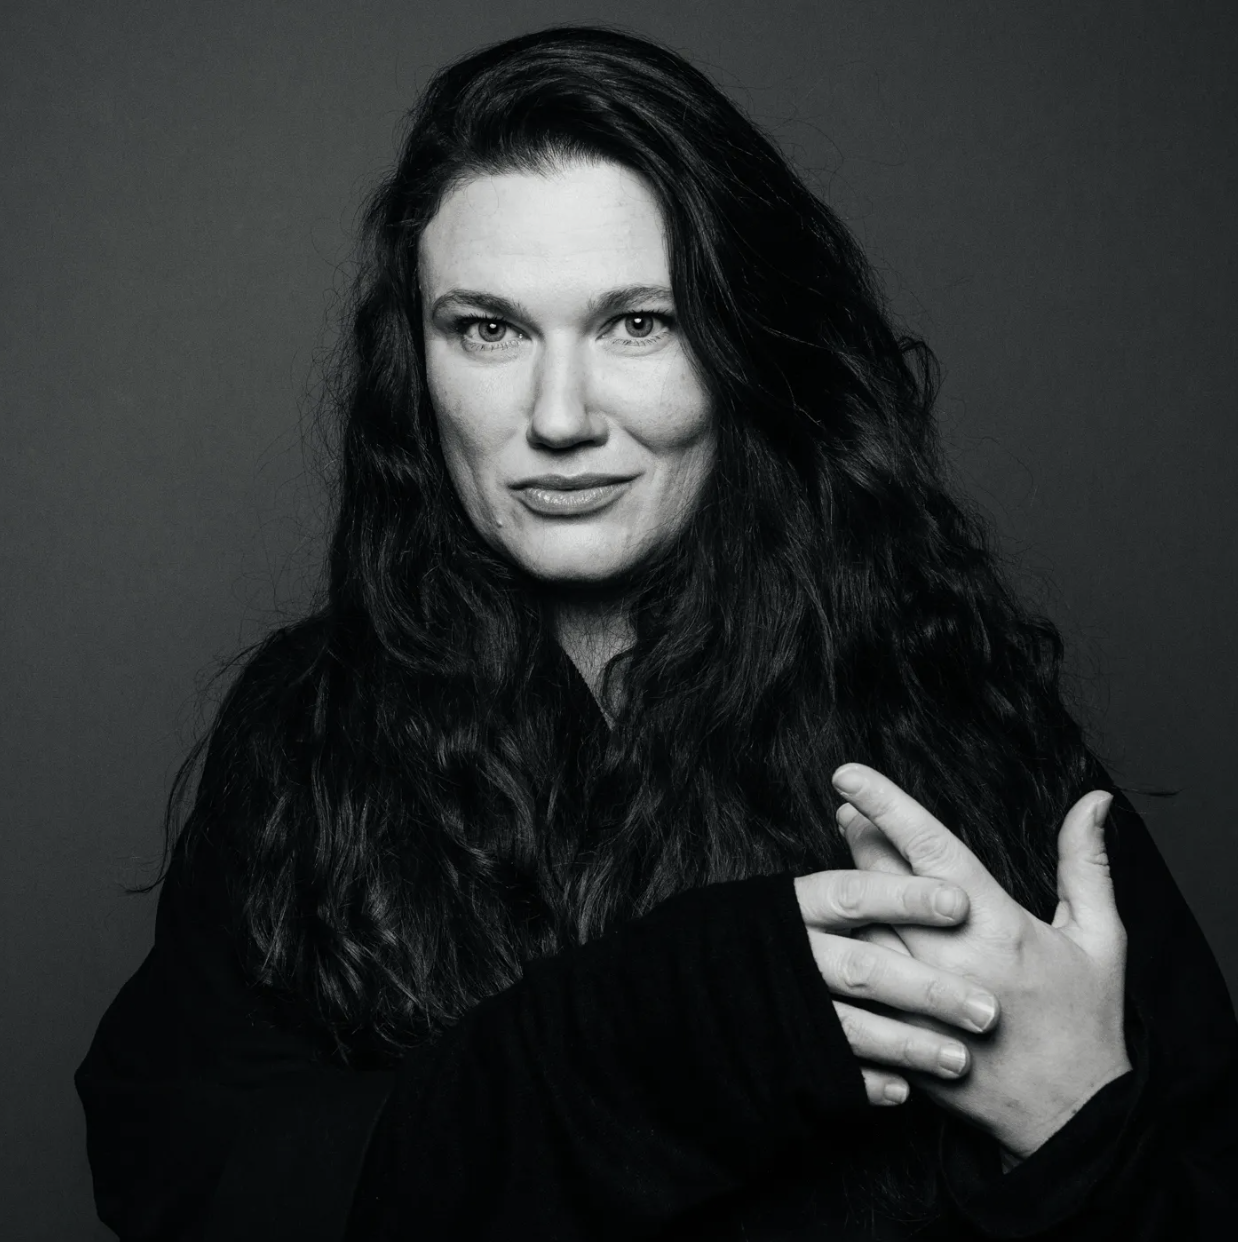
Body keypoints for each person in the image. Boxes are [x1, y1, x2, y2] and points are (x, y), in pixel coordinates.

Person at [76, 24, 1237, 1242]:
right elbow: (192, 1170)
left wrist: (1077, 1120)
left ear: (742, 343)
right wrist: (662, 1032)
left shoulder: (942, 703)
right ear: (415, 361)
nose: (558, 417)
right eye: (487, 329)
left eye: (637, 322)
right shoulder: (313, 726)